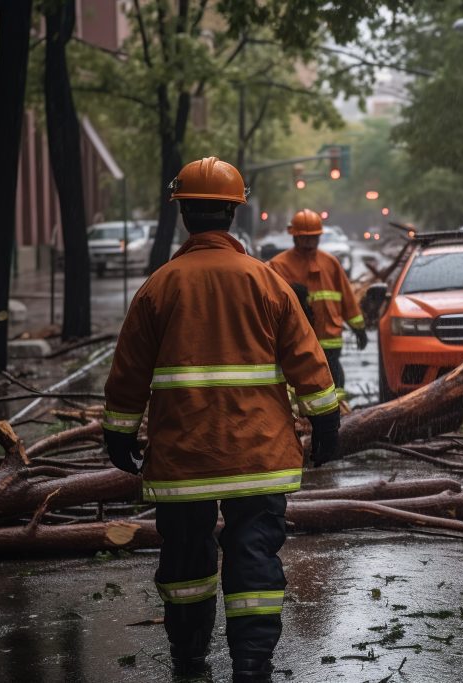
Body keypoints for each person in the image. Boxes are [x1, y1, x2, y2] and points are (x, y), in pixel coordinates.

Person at [101, 157, 340, 681]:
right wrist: (326, 422)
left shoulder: (158, 287)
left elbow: (128, 373)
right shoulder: (266, 281)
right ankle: (252, 668)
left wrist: (117, 432)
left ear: (184, 212)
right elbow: (307, 359)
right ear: (235, 211)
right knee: (254, 556)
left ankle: (189, 663)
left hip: (184, 457)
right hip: (258, 456)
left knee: (186, 564)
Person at [267, 209, 367, 398]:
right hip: (296, 341)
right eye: (305, 238)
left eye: (313, 238)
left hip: (330, 340)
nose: (309, 242)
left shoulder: (330, 263)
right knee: (303, 385)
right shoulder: (278, 265)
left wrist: (359, 329)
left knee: (334, 385)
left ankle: (341, 418)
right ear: (294, 237)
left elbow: (347, 298)